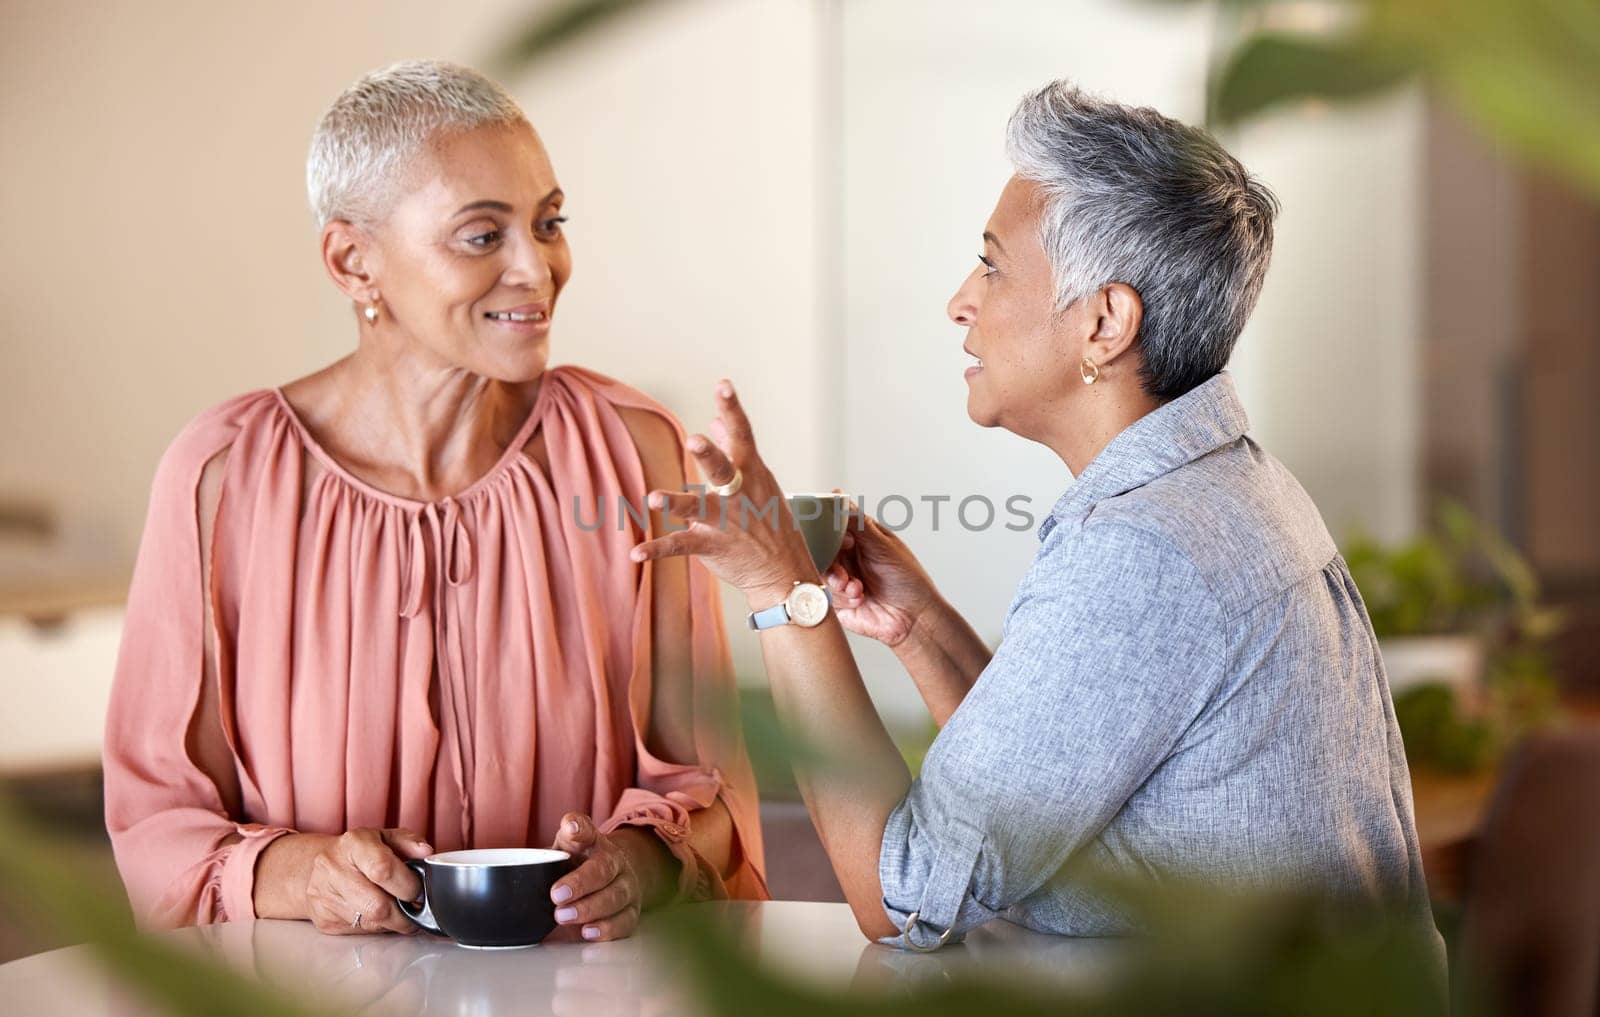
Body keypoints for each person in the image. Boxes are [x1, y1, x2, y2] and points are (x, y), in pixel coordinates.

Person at [632, 82, 1440, 954]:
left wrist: (783, 590)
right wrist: (922, 628)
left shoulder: (1147, 548)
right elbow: (1054, 785)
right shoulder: (1231, 486)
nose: (960, 301)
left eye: (991, 264)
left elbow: (902, 895)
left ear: (1104, 323)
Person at [103, 59, 766, 939]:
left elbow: (711, 789)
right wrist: (302, 871)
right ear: (353, 262)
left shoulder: (635, 451)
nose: (540, 268)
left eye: (549, 222)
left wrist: (641, 863)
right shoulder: (222, 478)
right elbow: (162, 826)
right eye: (481, 236)